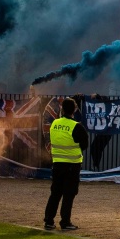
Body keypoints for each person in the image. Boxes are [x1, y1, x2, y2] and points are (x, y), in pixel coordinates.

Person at [44, 97, 88, 231]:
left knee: (55, 193)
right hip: (72, 165)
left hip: (57, 164)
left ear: (62, 109)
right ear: (74, 109)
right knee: (69, 195)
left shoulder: (54, 124)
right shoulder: (77, 126)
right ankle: (65, 221)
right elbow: (84, 144)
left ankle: (49, 221)